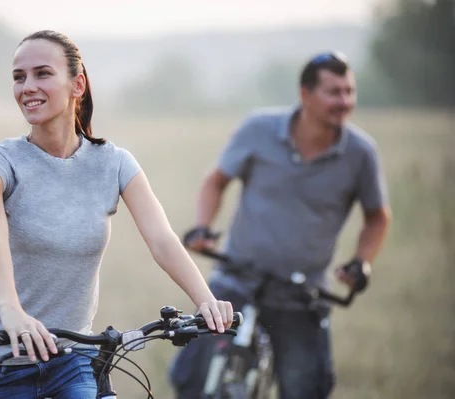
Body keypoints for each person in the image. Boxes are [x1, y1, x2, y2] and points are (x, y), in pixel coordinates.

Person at [0, 30, 233, 399]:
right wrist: (11, 311)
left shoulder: (114, 163)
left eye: (42, 73)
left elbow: (161, 239)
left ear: (77, 84)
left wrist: (205, 299)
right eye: (19, 77)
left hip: (70, 361)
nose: (27, 86)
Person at [168, 52, 391, 399]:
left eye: (349, 91)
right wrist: (202, 227)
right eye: (334, 92)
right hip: (237, 281)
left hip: (302, 296)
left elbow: (377, 216)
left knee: (307, 388)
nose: (344, 102)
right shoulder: (258, 129)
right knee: (192, 379)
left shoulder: (361, 153)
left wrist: (362, 261)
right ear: (305, 94)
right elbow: (216, 182)